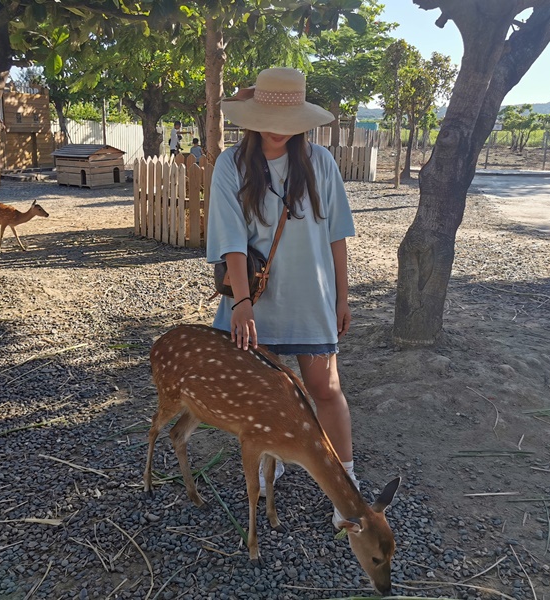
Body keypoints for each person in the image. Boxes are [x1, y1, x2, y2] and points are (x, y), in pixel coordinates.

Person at [206, 67, 357, 529]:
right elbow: (231, 238)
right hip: (257, 301)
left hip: (313, 299)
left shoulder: (322, 164)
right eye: (270, 116)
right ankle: (271, 468)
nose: (278, 128)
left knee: (325, 391)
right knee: (265, 394)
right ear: (251, 115)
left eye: (290, 118)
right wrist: (241, 302)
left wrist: (343, 296)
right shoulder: (230, 165)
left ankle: (346, 485)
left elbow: (336, 236)